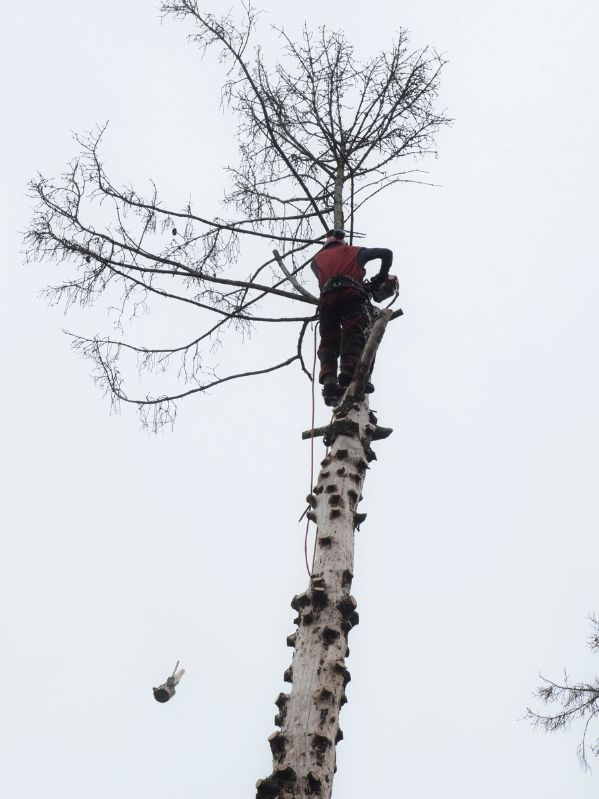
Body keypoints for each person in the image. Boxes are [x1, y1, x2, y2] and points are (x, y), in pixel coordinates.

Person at [311, 229, 393, 405]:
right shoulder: (355, 251)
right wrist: (380, 278)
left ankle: (329, 383)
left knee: (328, 340)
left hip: (327, 299)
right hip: (351, 293)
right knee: (354, 331)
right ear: (343, 242)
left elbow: (323, 273)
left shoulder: (316, 261)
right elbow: (387, 253)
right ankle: (349, 372)